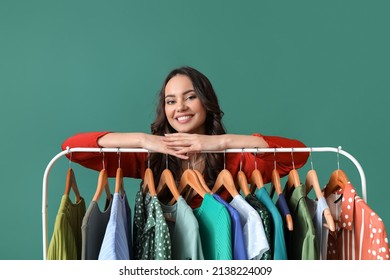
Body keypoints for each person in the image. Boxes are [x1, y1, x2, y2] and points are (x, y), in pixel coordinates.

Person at [62, 66, 309, 207]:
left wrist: (221, 143)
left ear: (206, 101)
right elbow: (72, 148)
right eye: (171, 101)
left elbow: (298, 155)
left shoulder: (235, 160)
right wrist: (143, 140)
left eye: (190, 97)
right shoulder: (150, 158)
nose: (180, 107)